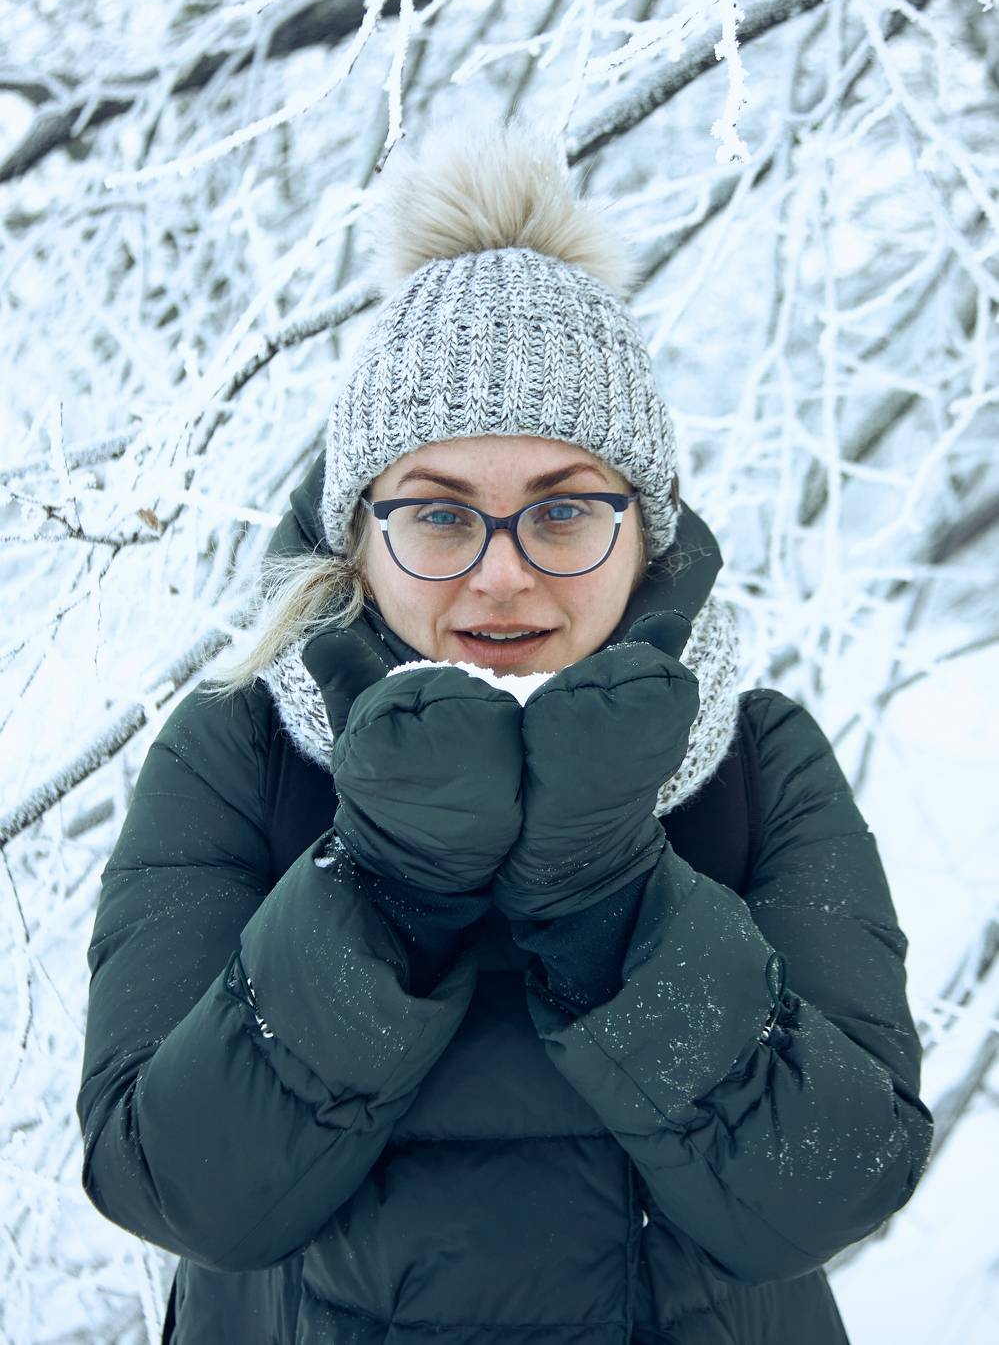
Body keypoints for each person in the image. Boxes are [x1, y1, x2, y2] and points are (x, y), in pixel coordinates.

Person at [77, 119, 933, 1345]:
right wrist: (390, 879)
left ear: (647, 533)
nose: (502, 577)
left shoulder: (756, 761)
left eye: (564, 511)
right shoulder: (237, 753)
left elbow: (834, 1188)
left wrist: (608, 898)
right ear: (357, 533)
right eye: (438, 516)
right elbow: (175, 1187)